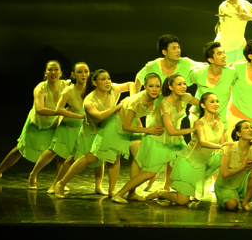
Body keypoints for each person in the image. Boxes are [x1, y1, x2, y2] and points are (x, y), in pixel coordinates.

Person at [111, 74, 201, 203]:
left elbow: (202, 103)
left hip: (173, 139)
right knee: (150, 173)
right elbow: (127, 125)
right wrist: (193, 129)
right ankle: (119, 194)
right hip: (156, 138)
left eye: (157, 86)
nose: (183, 86)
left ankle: (173, 191)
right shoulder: (155, 103)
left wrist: (211, 109)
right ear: (170, 87)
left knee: (183, 163)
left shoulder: (182, 97)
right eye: (179, 84)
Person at [0, 60, 66, 184]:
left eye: (56, 69)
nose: (53, 72)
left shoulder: (66, 85)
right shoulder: (40, 88)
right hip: (36, 123)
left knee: (57, 150)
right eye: (50, 69)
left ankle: (56, 182)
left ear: (61, 73)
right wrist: (62, 112)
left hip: (53, 123)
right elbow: (40, 109)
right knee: (20, 149)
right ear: (45, 73)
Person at [53, 69, 132, 198]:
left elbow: (131, 84)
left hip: (106, 131)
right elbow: (99, 116)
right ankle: (60, 183)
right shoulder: (89, 100)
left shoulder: (112, 89)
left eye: (108, 78)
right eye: (103, 79)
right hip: (90, 133)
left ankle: (111, 190)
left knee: (114, 158)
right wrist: (118, 106)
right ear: (95, 83)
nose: (107, 82)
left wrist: (131, 99)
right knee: (80, 159)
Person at [147, 92, 229, 205]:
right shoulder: (199, 123)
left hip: (203, 162)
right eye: (212, 101)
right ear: (203, 105)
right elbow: (202, 142)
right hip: (188, 163)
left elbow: (223, 143)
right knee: (182, 201)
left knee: (229, 155)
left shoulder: (219, 122)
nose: (216, 104)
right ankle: (161, 193)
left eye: (217, 101)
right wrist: (221, 147)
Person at [27, 62, 89, 191]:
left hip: (80, 125)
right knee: (54, 151)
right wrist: (77, 115)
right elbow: (52, 109)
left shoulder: (91, 86)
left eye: (86, 71)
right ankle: (33, 174)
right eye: (80, 72)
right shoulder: (67, 89)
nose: (83, 74)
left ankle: (58, 182)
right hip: (62, 122)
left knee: (67, 155)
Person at [214, 120, 252, 211]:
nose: (251, 130)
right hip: (227, 185)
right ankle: (232, 198)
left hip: (243, 182)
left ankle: (245, 201)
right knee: (232, 206)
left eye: (251, 127)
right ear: (238, 134)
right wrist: (242, 167)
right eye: (246, 128)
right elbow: (225, 174)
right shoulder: (229, 148)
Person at [188, 41, 238, 138]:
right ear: (210, 60)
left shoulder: (231, 73)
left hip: (220, 120)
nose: (224, 56)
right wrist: (199, 104)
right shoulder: (198, 73)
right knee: (199, 146)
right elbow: (181, 88)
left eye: (224, 52)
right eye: (219, 54)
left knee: (222, 147)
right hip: (199, 118)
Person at [133, 34, 204, 94]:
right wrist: (134, 98)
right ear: (164, 52)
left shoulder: (186, 62)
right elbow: (139, 78)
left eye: (178, 47)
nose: (178, 51)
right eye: (174, 48)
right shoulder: (152, 66)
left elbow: (204, 66)